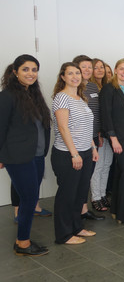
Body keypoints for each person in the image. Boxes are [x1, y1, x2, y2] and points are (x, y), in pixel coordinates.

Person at [0, 55, 51, 256]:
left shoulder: (34, 94)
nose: (31, 73)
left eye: (34, 70)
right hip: (18, 156)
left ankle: (23, 239)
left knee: (30, 197)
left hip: (37, 155)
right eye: (26, 69)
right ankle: (22, 243)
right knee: (29, 199)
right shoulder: (7, 96)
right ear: (15, 72)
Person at [51, 62, 99, 245]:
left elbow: (87, 127)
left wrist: (93, 148)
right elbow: (63, 128)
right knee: (67, 194)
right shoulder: (61, 98)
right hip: (68, 154)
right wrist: (74, 154)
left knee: (80, 193)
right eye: (70, 73)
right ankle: (63, 235)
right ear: (63, 77)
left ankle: (77, 227)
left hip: (86, 152)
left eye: (77, 73)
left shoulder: (81, 98)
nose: (75, 76)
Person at [100, 58, 124, 225]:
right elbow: (106, 115)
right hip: (119, 137)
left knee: (120, 173)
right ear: (115, 70)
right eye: (122, 69)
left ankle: (116, 210)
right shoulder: (109, 89)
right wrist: (113, 138)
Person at [73, 55, 104, 220]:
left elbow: (97, 113)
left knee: (87, 175)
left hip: (93, 138)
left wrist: (98, 133)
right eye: (83, 67)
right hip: (78, 140)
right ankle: (76, 210)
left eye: (89, 67)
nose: (87, 70)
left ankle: (83, 209)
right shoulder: (73, 88)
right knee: (77, 178)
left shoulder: (93, 87)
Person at [89, 58, 113, 213]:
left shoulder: (106, 87)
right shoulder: (89, 88)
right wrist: (97, 133)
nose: (99, 70)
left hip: (107, 133)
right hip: (96, 134)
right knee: (97, 167)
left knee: (106, 164)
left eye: (101, 67)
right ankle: (95, 197)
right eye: (96, 67)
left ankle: (103, 194)